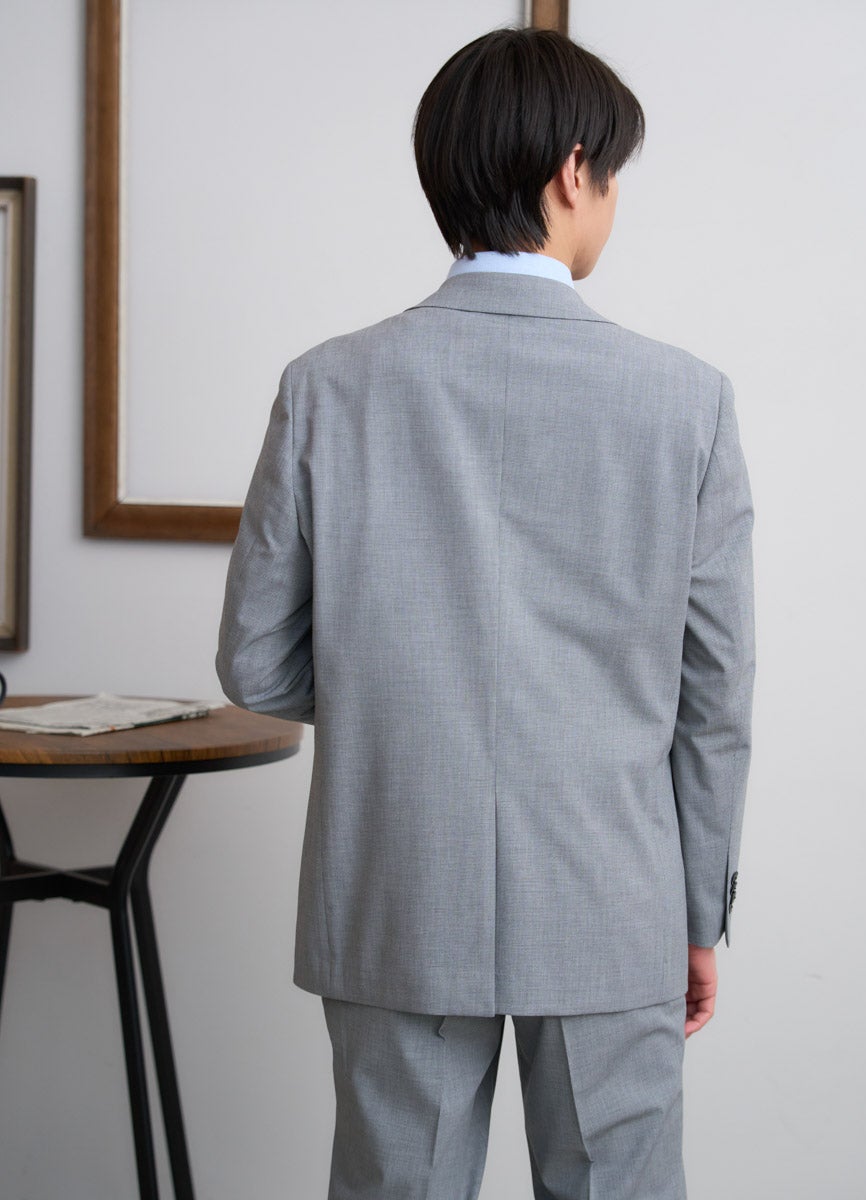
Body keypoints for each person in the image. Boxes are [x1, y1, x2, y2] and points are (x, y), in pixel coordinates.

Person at [216, 25, 755, 1200]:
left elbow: (255, 664)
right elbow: (713, 701)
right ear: (573, 171)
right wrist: (695, 912)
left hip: (398, 884)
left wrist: (397, 685)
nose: (613, 202)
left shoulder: (325, 387)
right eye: (613, 174)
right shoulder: (688, 403)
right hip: (614, 900)